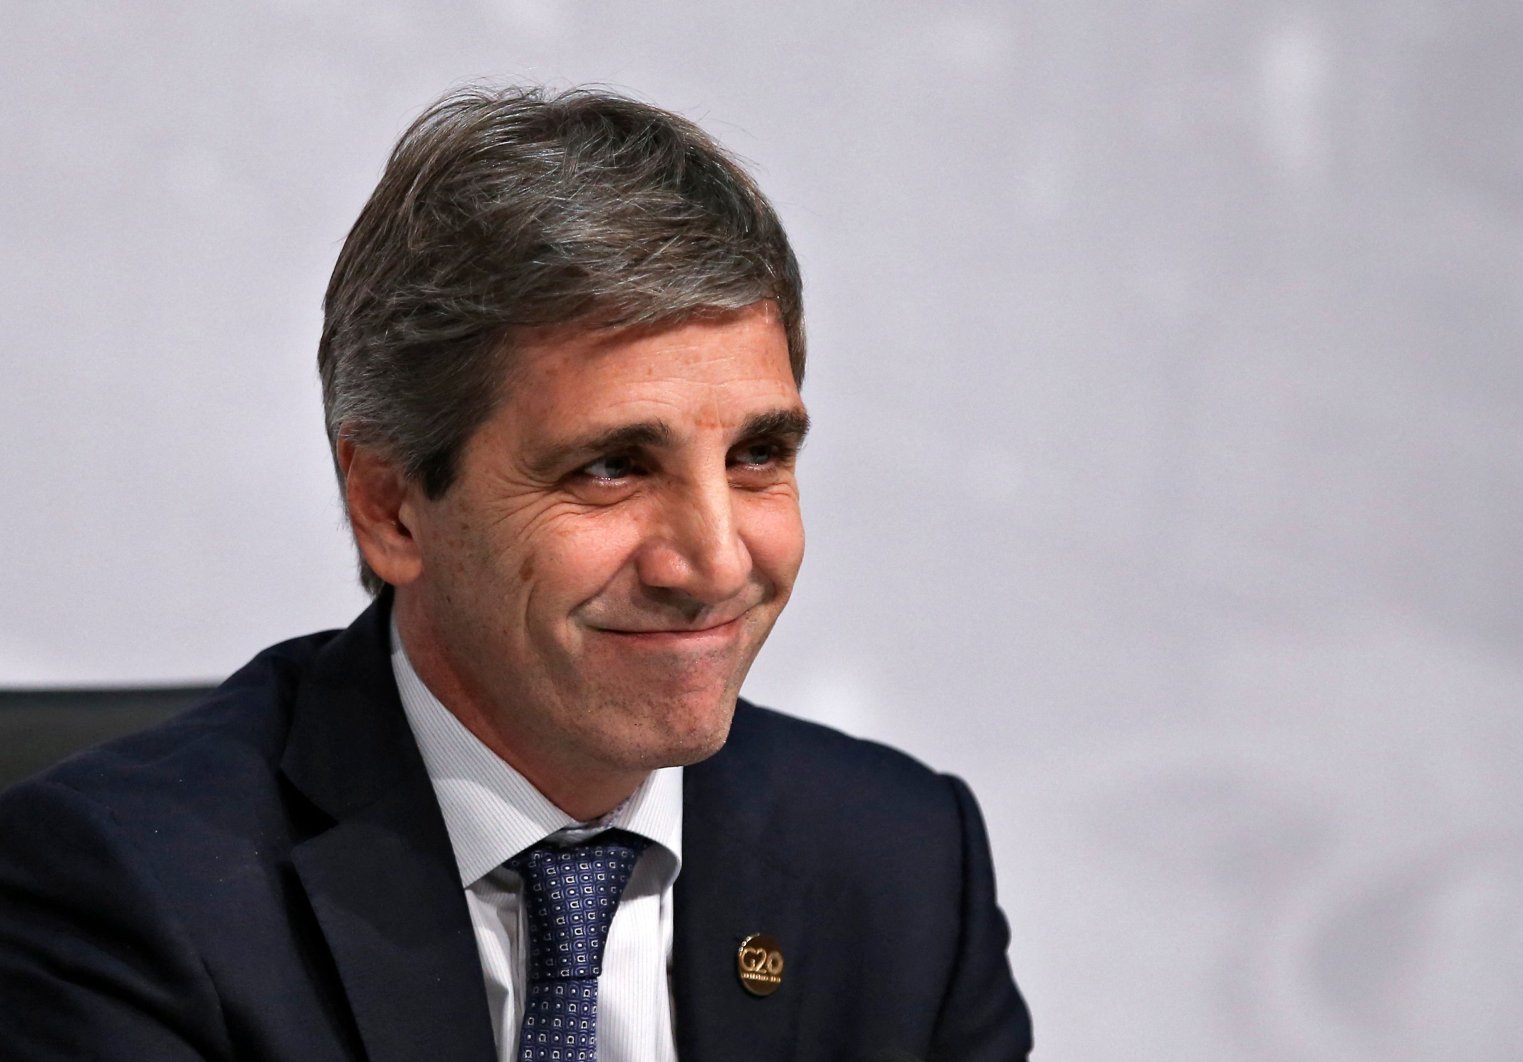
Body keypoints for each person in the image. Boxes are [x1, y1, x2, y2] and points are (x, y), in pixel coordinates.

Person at [0, 85, 1031, 1062]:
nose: (715, 561)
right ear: (390, 505)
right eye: (613, 467)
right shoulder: (129, 890)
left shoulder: (901, 862)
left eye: (755, 457)